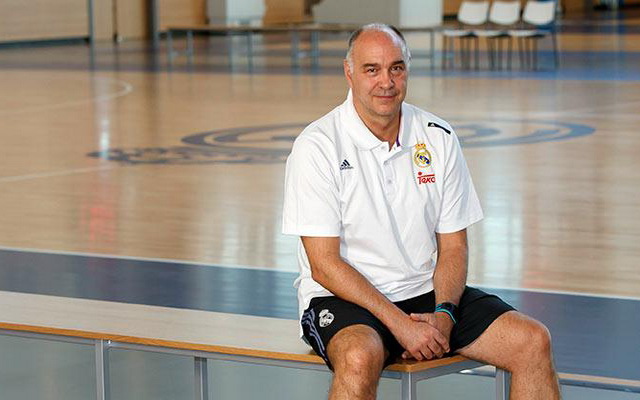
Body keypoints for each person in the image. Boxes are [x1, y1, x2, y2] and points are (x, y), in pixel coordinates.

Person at [282, 23, 560, 400]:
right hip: (343, 299)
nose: (386, 82)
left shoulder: (437, 136)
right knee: (360, 356)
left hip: (423, 292)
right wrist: (401, 325)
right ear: (349, 72)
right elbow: (324, 266)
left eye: (396, 68)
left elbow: (454, 246)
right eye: (372, 69)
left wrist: (445, 315)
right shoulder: (317, 146)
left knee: (532, 341)